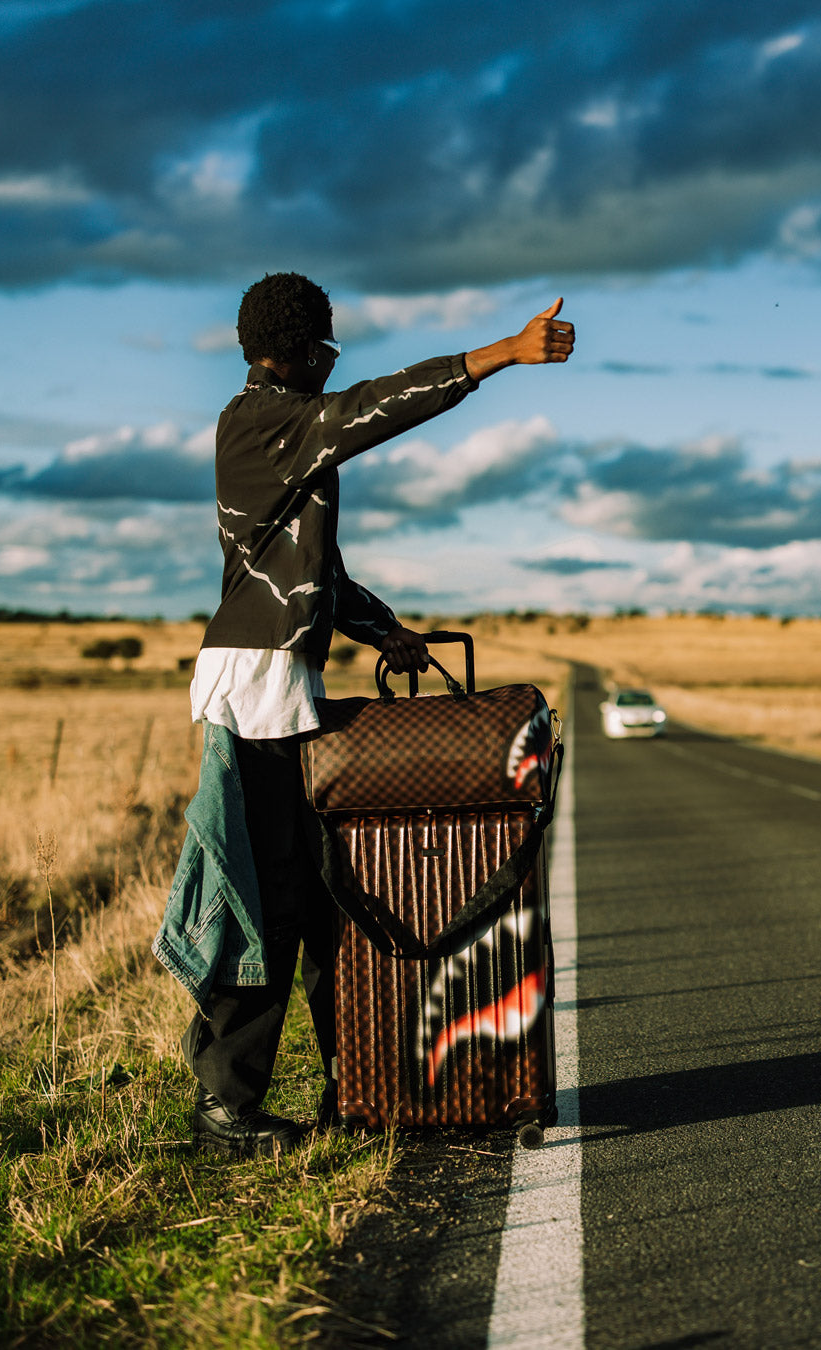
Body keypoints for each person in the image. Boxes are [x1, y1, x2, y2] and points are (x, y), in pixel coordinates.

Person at [153, 272, 574, 1156]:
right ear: (298, 353)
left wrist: (391, 636)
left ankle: (365, 1085)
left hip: (280, 689)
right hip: (253, 696)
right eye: (328, 352)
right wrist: (501, 354)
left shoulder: (281, 431)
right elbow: (372, 411)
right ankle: (224, 1108)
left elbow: (322, 579)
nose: (334, 367)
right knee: (265, 904)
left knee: (315, 899)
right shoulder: (266, 420)